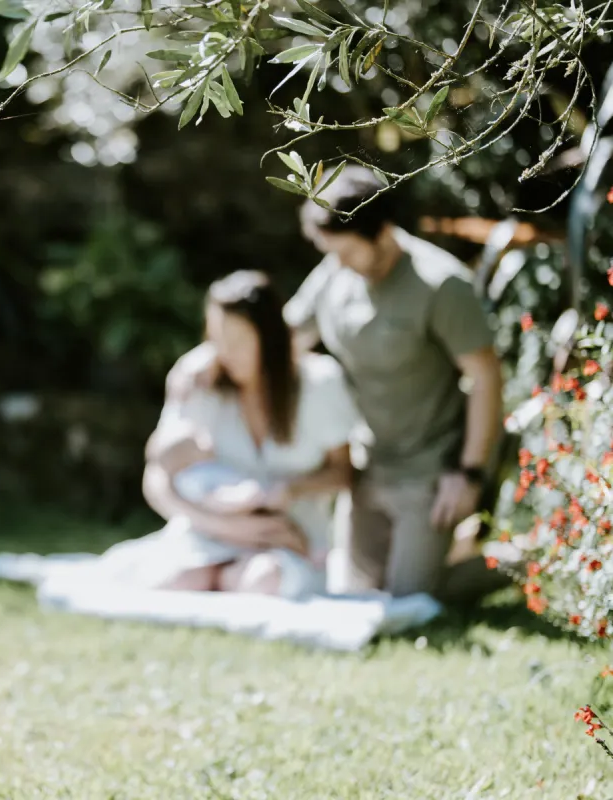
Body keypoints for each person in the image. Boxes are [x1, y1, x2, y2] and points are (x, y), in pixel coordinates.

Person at [172, 167, 504, 598]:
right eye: (329, 252)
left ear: (382, 232)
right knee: (356, 593)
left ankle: (509, 563)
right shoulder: (335, 271)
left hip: (431, 467)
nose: (338, 263)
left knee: (411, 598)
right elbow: (280, 340)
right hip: (370, 468)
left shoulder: (441, 285)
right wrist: (207, 358)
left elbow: (485, 378)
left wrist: (469, 473)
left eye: (345, 252)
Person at [99, 270, 360, 598]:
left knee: (262, 581)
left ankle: (229, 577)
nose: (224, 353)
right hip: (208, 531)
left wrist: (288, 490)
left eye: (237, 341)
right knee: (177, 583)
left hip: (288, 540)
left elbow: (344, 473)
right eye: (216, 338)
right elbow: (158, 472)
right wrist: (226, 526)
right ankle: (214, 574)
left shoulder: (320, 383)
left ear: (269, 339)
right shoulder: (198, 378)